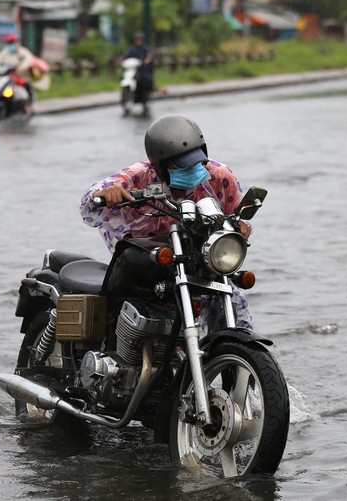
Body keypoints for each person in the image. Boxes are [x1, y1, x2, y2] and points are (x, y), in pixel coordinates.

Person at [80, 114, 253, 329]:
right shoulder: (137, 177)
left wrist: (241, 229)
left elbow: (236, 218)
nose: (193, 170)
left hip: (199, 264)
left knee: (235, 301)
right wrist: (107, 194)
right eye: (183, 165)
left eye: (196, 162)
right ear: (160, 164)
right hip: (147, 265)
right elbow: (88, 204)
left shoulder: (220, 177)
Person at [0, 34, 36, 111]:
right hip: (7, 77)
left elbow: (28, 60)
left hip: (21, 76)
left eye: (13, 42)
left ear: (17, 42)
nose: (11, 44)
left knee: (26, 86)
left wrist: (21, 67)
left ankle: (28, 105)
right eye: (9, 42)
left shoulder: (22, 52)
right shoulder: (5, 52)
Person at [122, 32, 154, 113]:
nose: (138, 42)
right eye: (136, 40)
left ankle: (145, 101)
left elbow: (149, 56)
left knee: (145, 82)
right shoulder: (132, 49)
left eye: (139, 40)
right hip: (132, 71)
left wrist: (147, 60)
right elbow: (125, 56)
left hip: (142, 71)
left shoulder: (146, 49)